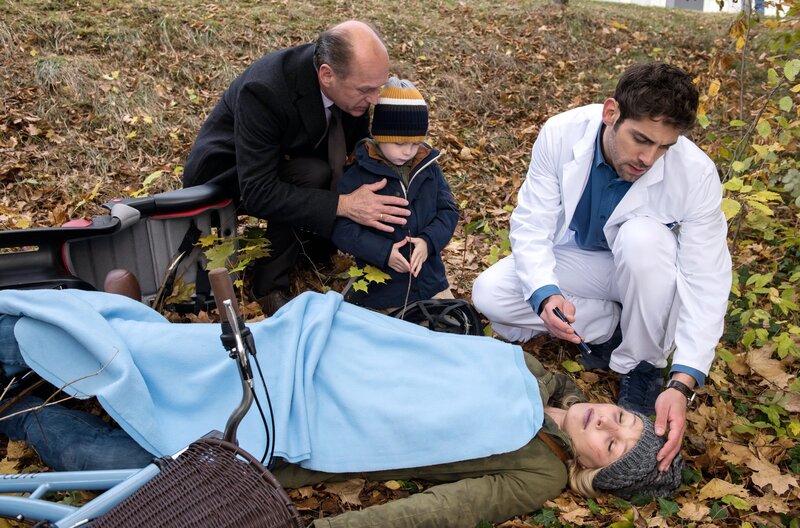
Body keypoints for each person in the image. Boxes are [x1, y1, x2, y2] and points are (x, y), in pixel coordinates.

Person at [0, 288, 683, 527]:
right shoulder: (530, 370)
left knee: (144, 472)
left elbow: (444, 510)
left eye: (615, 450)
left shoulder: (537, 470)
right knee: (173, 355)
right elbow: (418, 352)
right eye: (626, 421)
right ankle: (30, 348)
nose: (613, 428)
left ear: (590, 475)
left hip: (310, 428)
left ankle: (27, 412)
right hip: (318, 358)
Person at [471, 62, 731, 472]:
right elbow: (533, 221)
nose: (649, 158)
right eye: (641, 139)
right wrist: (545, 292)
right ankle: (610, 329)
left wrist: (684, 379)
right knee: (491, 293)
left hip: (649, 270)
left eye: (664, 147)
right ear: (611, 112)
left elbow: (707, 277)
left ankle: (641, 363)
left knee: (642, 238)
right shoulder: (561, 133)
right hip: (584, 260)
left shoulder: (696, 174)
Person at [182, 21, 410, 315]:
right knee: (312, 174)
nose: (375, 100)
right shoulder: (265, 90)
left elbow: (354, 149)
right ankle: (268, 286)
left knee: (321, 170)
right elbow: (258, 192)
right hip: (225, 174)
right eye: (367, 90)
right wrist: (345, 205)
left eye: (379, 87)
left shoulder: (351, 90)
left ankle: (315, 252)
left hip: (286, 159)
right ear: (326, 75)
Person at [332, 77, 458, 310]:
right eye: (399, 143)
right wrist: (383, 253)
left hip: (430, 282)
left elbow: (448, 211)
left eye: (415, 143)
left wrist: (428, 242)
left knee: (448, 327)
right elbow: (342, 228)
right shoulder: (360, 173)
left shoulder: (428, 167)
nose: (408, 151)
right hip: (380, 289)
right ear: (380, 134)